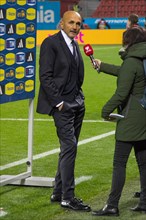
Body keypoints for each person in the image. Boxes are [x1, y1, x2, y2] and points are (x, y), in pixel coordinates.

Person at [36, 11, 91, 212]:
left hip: (76, 103)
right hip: (63, 106)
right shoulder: (51, 43)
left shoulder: (74, 45)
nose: (75, 27)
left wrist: (79, 99)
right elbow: (45, 76)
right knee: (70, 147)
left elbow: (75, 75)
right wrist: (59, 103)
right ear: (61, 23)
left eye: (78, 23)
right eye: (71, 23)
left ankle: (58, 191)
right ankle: (68, 197)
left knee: (69, 148)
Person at [91, 27, 146, 216]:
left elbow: (122, 93)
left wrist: (105, 111)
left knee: (119, 162)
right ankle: (145, 201)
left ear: (128, 42)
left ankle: (112, 205)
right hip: (144, 117)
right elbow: (126, 73)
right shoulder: (142, 58)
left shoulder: (131, 61)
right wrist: (103, 65)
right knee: (143, 162)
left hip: (131, 118)